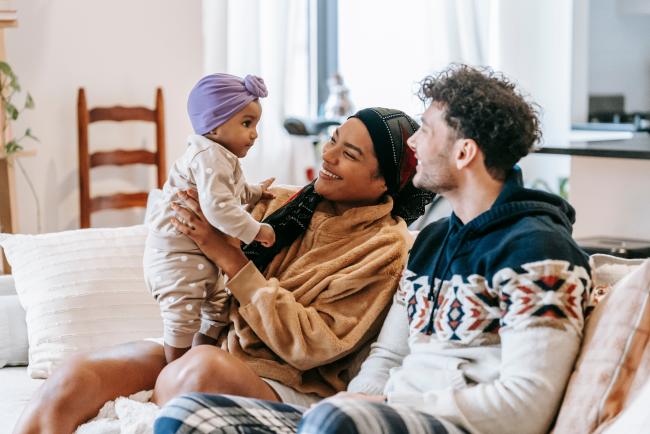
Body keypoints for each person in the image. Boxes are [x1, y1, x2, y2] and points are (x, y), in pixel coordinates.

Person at [155, 65, 592, 434]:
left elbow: (528, 403)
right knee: (185, 416)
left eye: (426, 131)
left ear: (464, 152)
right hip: (376, 413)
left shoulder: (539, 251)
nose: (414, 145)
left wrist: (382, 405)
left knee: (331, 418)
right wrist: (362, 399)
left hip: (440, 422)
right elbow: (387, 356)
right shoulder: (435, 242)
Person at [14, 107, 433, 434]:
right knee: (77, 375)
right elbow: (198, 251)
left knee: (198, 371)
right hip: (217, 347)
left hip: (291, 384)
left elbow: (313, 344)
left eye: (349, 154)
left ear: (385, 183)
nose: (328, 155)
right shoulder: (286, 202)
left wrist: (231, 259)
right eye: (334, 140)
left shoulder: (387, 249)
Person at [145, 73, 276, 364]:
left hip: (197, 257)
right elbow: (219, 209)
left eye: (255, 124)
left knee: (218, 307)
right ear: (215, 126)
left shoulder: (221, 156)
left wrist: (255, 193)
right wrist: (257, 231)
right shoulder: (209, 156)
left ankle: (198, 358)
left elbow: (233, 192)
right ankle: (174, 369)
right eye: (246, 123)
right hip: (175, 256)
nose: (254, 133)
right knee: (182, 316)